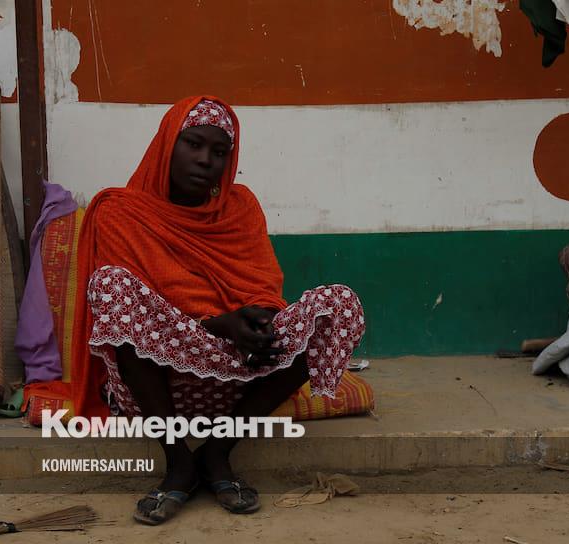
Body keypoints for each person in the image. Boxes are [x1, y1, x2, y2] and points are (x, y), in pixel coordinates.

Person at [71, 95, 365, 525]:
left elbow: (261, 287)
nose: (206, 160)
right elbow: (139, 314)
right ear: (166, 144)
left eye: (220, 151)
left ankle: (215, 452)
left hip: (238, 377)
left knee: (338, 305)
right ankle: (179, 462)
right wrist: (217, 325)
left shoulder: (240, 206)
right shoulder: (120, 211)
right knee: (111, 285)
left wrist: (259, 324)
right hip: (157, 383)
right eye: (193, 144)